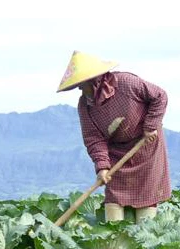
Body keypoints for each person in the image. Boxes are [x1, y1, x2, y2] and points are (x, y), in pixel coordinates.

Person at [57, 51, 171, 222]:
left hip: (145, 146)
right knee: (114, 201)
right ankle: (115, 239)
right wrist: (102, 166)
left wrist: (150, 126)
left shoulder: (127, 83)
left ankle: (146, 241)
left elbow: (160, 96)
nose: (81, 89)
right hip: (116, 155)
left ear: (94, 80)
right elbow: (93, 138)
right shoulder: (85, 105)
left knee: (146, 203)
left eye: (82, 85)